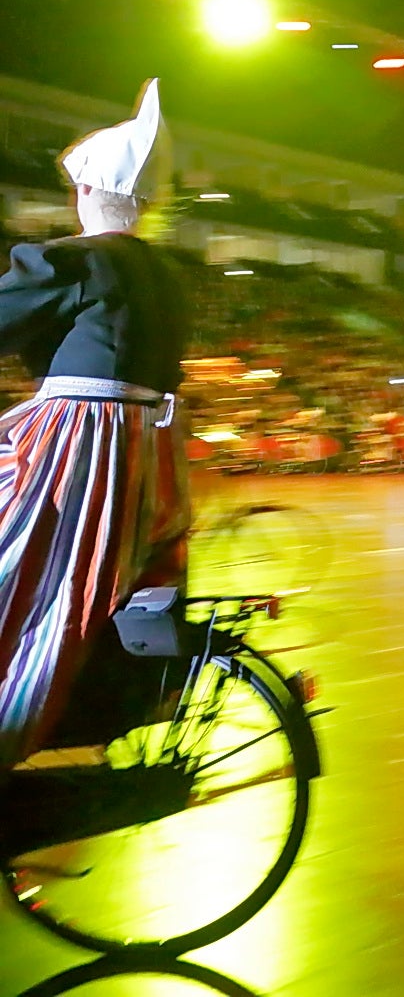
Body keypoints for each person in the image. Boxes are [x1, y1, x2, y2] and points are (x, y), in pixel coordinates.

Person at [0, 79, 191, 775]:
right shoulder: (164, 276)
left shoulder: (79, 260)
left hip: (78, 443)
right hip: (146, 450)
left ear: (86, 192)